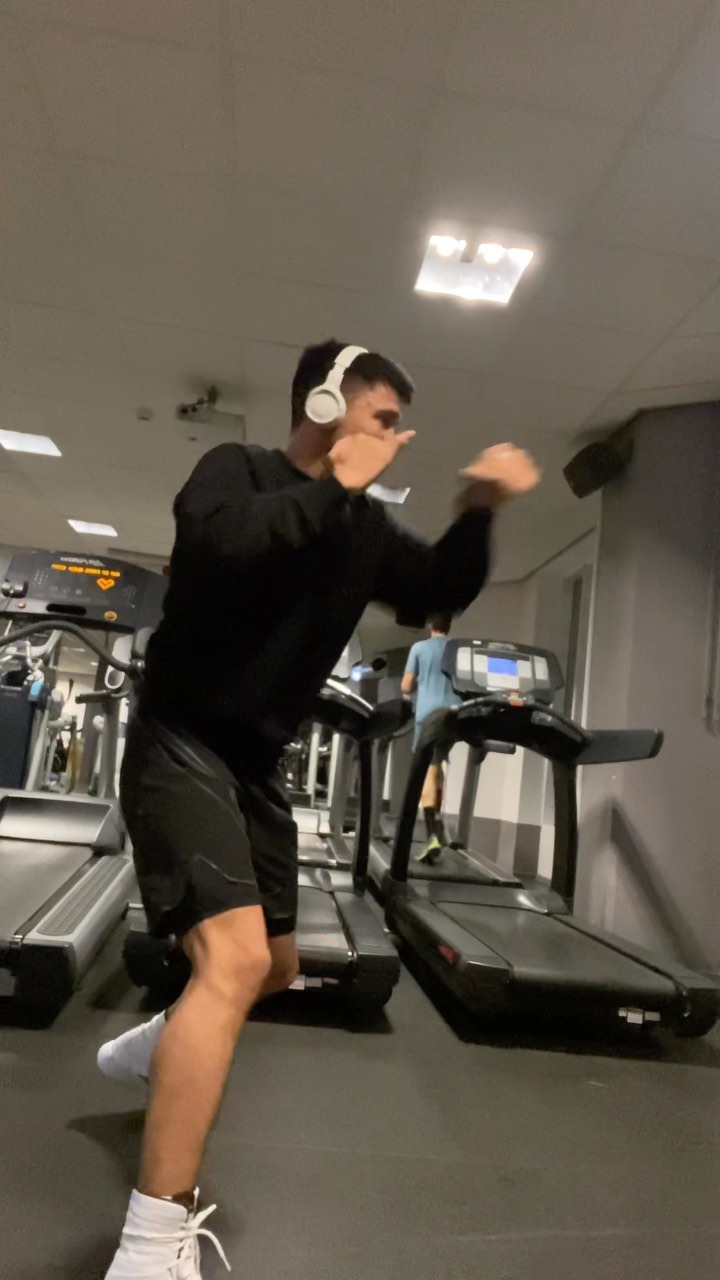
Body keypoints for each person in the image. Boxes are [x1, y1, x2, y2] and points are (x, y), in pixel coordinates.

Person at [97, 339, 540, 1279]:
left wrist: (479, 509)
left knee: (278, 966)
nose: (396, 438)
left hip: (256, 763)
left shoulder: (363, 530)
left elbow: (439, 591)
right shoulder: (238, 472)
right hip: (181, 736)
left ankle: (158, 1046)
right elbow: (222, 545)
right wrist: (336, 481)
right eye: (384, 418)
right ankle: (149, 1244)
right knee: (233, 960)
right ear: (327, 403)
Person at [401, 613, 455, 863]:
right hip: (454, 716)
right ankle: (439, 824)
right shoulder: (456, 649)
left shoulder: (420, 648)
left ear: (429, 624)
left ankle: (433, 833)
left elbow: (406, 685)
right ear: (449, 625)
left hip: (428, 716)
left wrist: (415, 687)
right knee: (438, 764)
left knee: (426, 771)